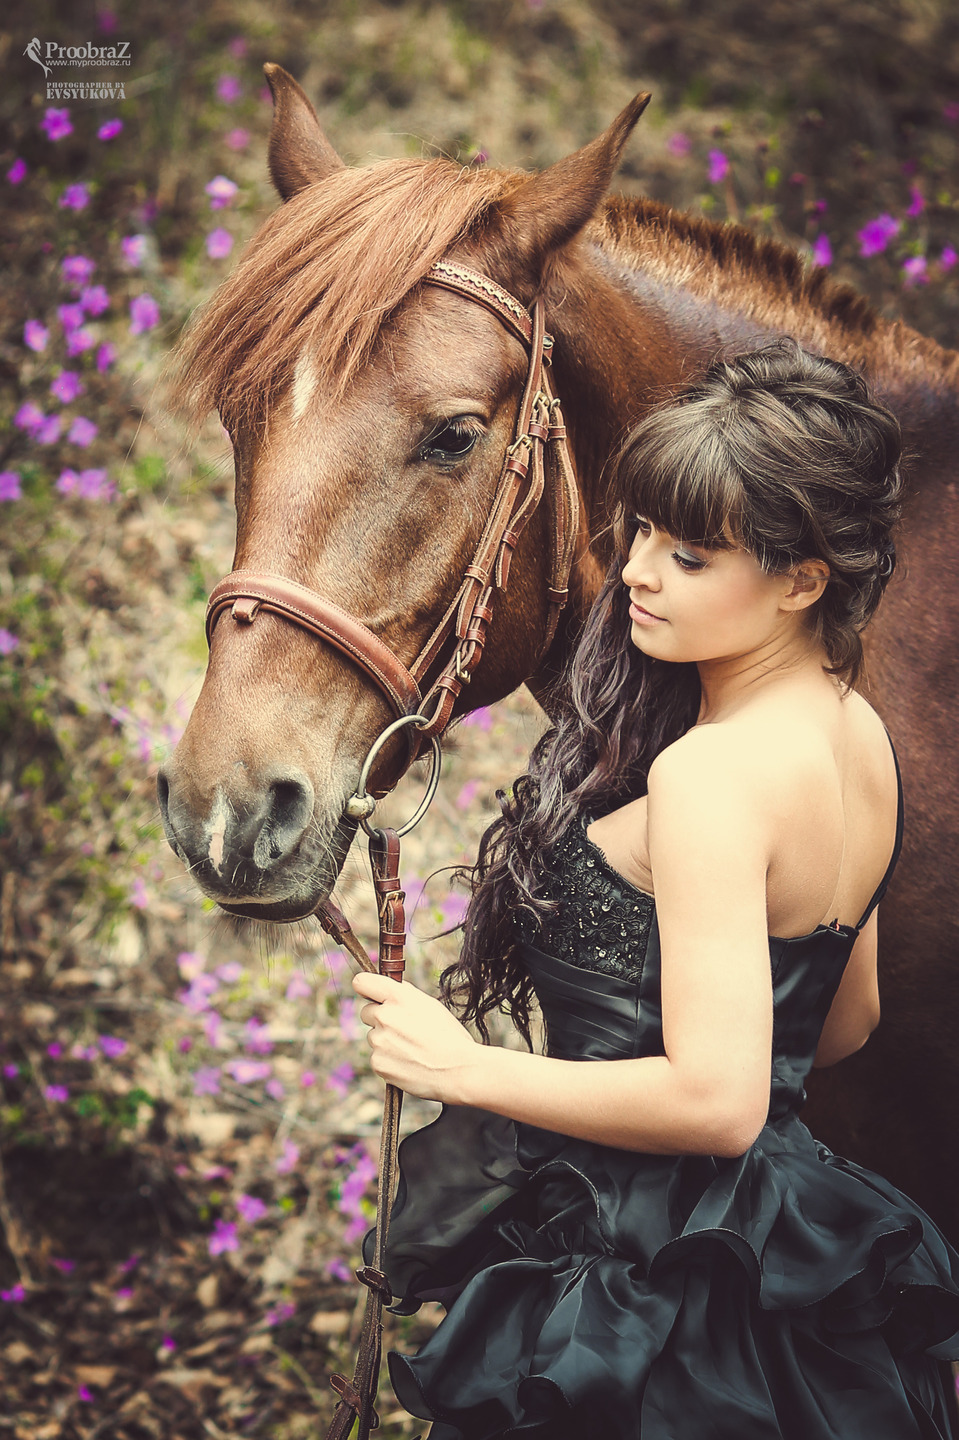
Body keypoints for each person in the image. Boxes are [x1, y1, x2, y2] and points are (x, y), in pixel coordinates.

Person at [352, 340, 959, 1439]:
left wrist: (466, 1067)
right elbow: (837, 1022)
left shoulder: (709, 775)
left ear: (800, 580)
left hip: (648, 1273)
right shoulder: (854, 733)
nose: (633, 570)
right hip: (765, 1246)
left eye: (688, 555)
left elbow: (719, 1106)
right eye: (639, 531)